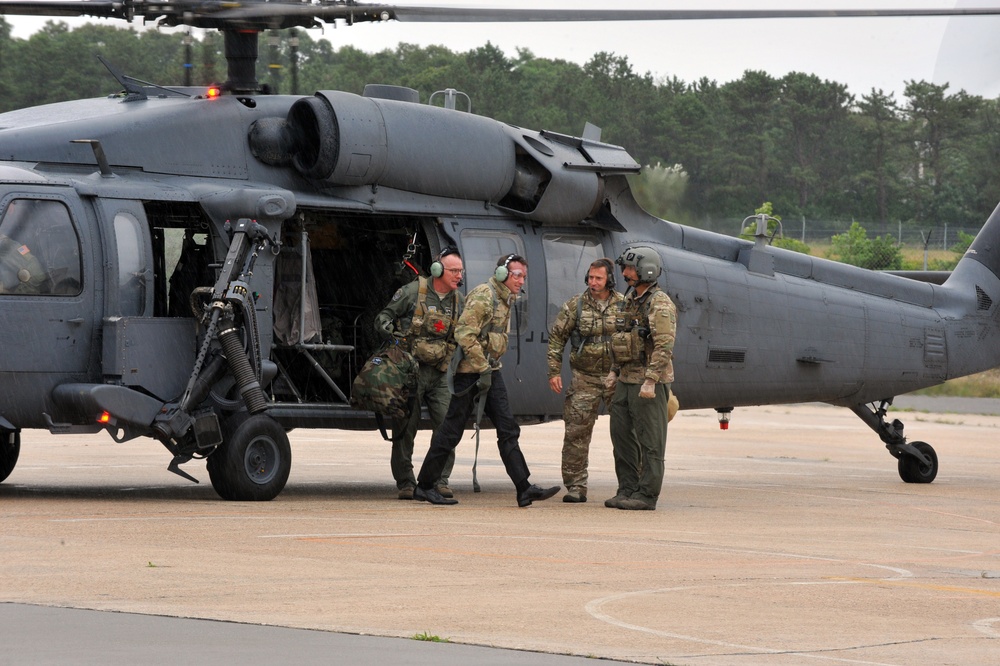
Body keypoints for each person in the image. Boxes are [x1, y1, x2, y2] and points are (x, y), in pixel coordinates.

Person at [414, 254, 560, 507]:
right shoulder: (485, 295)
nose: (521, 280)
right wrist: (482, 367)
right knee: (451, 431)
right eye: (516, 275)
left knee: (507, 428)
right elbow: (464, 333)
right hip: (470, 374)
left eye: (523, 276)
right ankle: (425, 486)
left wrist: (487, 368)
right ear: (503, 274)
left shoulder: (506, 299)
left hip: (489, 370)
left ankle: (524, 488)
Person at [374, 247, 465, 500]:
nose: (459, 275)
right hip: (411, 372)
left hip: (441, 374)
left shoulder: (460, 301)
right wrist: (395, 341)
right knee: (405, 427)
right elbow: (383, 317)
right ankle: (405, 481)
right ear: (438, 270)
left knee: (448, 425)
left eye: (461, 271)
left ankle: (440, 480)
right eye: (454, 271)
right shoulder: (413, 292)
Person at [546, 258, 624, 503]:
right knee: (576, 433)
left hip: (616, 377)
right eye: (590, 277)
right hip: (584, 379)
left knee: (625, 432)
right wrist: (553, 371)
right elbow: (557, 338)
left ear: (609, 279)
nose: (593, 282)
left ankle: (630, 486)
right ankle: (576, 486)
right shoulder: (575, 306)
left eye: (598, 278)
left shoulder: (624, 305)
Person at [605, 246, 677, 511]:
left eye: (630, 269)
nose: (624, 273)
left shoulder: (660, 303)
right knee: (621, 437)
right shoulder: (630, 301)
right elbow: (621, 340)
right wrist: (614, 371)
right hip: (626, 380)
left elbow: (664, 344)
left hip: (649, 384)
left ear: (646, 270)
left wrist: (651, 379)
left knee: (651, 442)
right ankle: (627, 488)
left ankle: (647, 495)